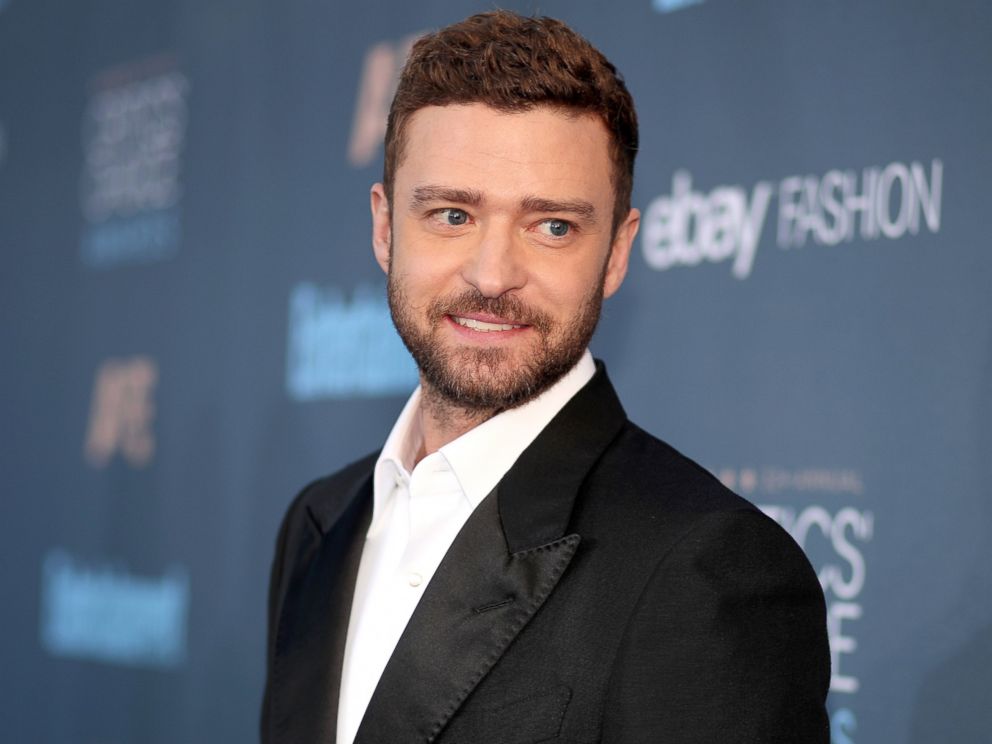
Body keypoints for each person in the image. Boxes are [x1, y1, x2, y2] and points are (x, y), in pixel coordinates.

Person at [261, 10, 830, 744]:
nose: (493, 274)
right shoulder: (320, 525)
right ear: (384, 226)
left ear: (618, 252)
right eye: (452, 214)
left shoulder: (705, 571)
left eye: (552, 226)